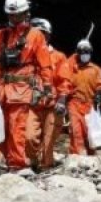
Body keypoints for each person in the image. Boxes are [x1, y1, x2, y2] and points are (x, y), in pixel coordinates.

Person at [0, 0, 52, 171]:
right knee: (0, 127)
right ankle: (9, 160)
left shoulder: (35, 36)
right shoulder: (0, 35)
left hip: (22, 90)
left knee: (17, 128)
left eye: (17, 14)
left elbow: (45, 65)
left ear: (26, 13)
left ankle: (17, 165)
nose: (14, 18)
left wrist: (46, 87)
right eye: (11, 15)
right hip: (1, 89)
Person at [31, 17, 68, 170]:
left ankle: (45, 166)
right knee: (28, 138)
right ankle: (32, 162)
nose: (38, 36)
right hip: (31, 105)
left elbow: (64, 80)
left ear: (48, 35)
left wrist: (62, 100)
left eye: (42, 33)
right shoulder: (26, 56)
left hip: (51, 105)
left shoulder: (58, 57)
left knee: (48, 142)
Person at [65, 39, 101, 155]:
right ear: (77, 53)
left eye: (87, 51)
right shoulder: (72, 69)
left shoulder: (96, 70)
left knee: (89, 131)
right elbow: (65, 83)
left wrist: (99, 94)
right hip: (74, 103)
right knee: (76, 130)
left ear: (91, 52)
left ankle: (90, 155)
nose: (85, 54)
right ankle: (77, 153)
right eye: (82, 51)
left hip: (90, 105)